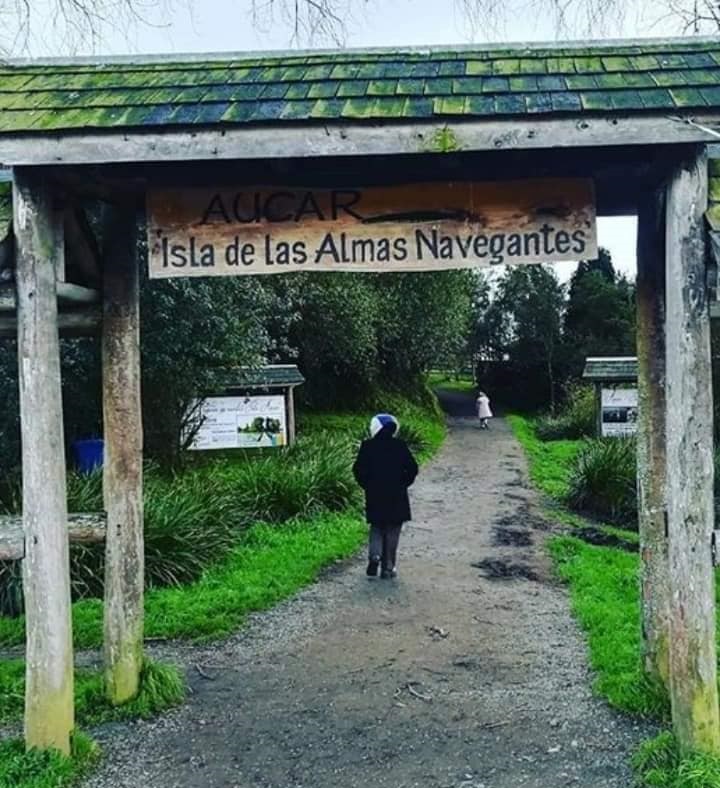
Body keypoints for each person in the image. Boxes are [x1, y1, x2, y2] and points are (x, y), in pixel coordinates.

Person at [352, 413, 419, 579]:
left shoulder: (367, 446)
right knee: (392, 530)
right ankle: (388, 567)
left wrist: (367, 485)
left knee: (376, 526)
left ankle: (374, 556)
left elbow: (358, 470)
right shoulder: (400, 445)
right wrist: (404, 483)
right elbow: (413, 468)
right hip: (397, 494)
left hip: (374, 493)